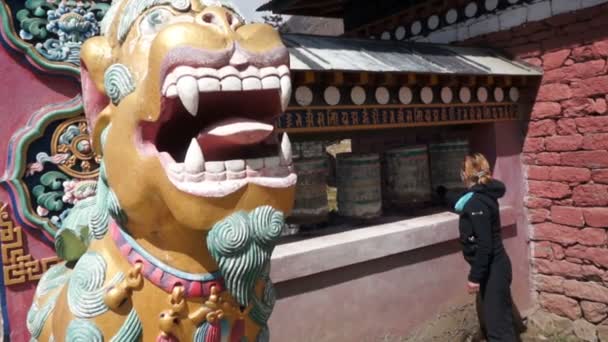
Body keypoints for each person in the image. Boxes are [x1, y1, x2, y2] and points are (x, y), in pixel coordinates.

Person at [437, 153, 524, 342]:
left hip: (493, 269)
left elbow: (485, 245)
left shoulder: (477, 202)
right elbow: (460, 200)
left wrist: (474, 277)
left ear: (464, 174)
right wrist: (441, 193)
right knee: (499, 320)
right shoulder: (482, 194)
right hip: (494, 268)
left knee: (498, 329)